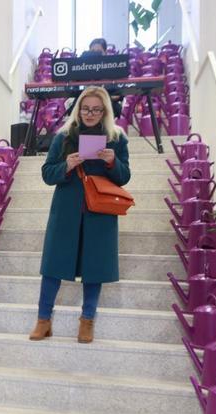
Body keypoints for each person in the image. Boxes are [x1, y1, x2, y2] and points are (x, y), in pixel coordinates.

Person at [30, 86, 130, 344]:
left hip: (100, 213)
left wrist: (111, 162)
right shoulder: (62, 137)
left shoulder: (117, 138)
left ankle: (87, 321)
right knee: (52, 266)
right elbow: (47, 173)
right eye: (86, 108)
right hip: (67, 210)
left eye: (96, 109)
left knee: (94, 268)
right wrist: (67, 165)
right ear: (78, 109)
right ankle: (43, 320)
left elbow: (124, 176)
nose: (90, 113)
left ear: (105, 111)